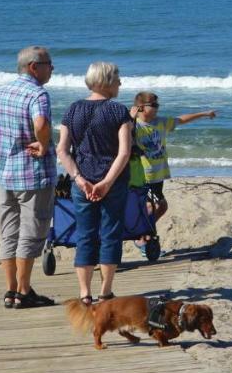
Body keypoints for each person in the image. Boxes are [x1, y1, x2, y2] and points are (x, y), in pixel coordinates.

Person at [0, 45, 58, 309]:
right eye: (48, 64)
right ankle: (23, 292)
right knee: (31, 233)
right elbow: (41, 124)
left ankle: (10, 291)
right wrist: (42, 145)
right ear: (34, 67)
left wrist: (0, 135)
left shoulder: (3, 90)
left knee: (9, 232)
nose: (52, 69)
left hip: (5, 172)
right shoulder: (38, 94)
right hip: (32, 173)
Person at [56, 62, 133, 305]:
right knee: (111, 234)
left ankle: (84, 293)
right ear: (105, 82)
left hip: (83, 183)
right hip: (114, 182)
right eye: (116, 78)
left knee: (85, 235)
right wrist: (107, 182)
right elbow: (124, 153)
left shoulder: (73, 110)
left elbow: (62, 150)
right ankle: (106, 291)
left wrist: (79, 179)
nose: (120, 83)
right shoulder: (118, 111)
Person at [128, 91, 217, 249]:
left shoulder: (160, 122)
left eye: (158, 105)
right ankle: (143, 239)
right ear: (140, 107)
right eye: (153, 105)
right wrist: (130, 118)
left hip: (158, 174)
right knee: (152, 206)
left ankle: (141, 234)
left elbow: (181, 119)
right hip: (143, 175)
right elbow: (120, 137)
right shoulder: (133, 124)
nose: (157, 108)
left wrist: (204, 113)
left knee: (161, 206)